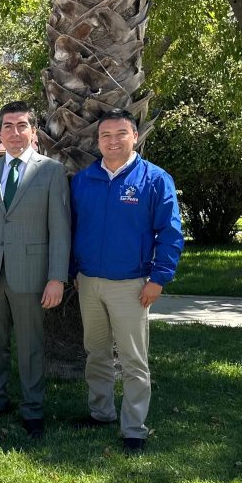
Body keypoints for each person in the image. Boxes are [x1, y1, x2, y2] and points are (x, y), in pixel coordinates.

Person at [70, 108, 184, 454]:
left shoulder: (154, 179)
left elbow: (171, 232)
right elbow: (74, 229)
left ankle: (134, 427)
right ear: (98, 140)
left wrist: (159, 278)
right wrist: (76, 270)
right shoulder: (84, 180)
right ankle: (100, 412)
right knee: (97, 353)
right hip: (89, 282)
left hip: (132, 284)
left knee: (134, 359)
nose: (113, 141)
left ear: (135, 136)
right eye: (106, 135)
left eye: (121, 134)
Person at [0, 101, 71, 439]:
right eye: (8, 126)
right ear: (0, 132)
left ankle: (33, 409)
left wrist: (57, 277)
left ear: (33, 131)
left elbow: (60, 230)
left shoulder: (51, 172)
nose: (14, 132)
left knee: (30, 345)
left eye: (21, 125)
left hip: (31, 274)